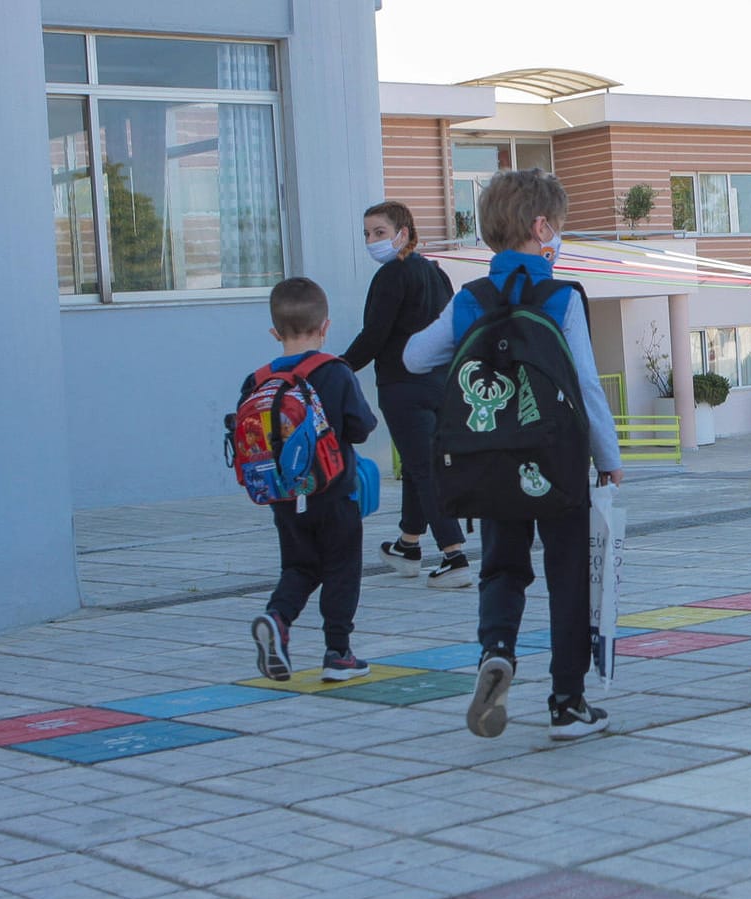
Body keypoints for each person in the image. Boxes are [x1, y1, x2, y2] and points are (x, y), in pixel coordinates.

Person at [402, 168, 623, 741]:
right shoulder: (561, 297)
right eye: (559, 230)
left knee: (502, 566)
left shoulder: (470, 298)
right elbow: (586, 386)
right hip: (557, 462)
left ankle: (495, 651)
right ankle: (566, 703)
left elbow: (413, 358)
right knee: (568, 574)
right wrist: (609, 457)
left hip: (488, 459)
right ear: (541, 226)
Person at [247, 278, 380, 683]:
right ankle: (338, 651)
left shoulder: (257, 381)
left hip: (285, 497)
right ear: (325, 327)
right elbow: (360, 427)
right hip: (334, 492)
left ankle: (278, 618)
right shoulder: (335, 373)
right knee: (342, 567)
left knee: (300, 566)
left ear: (275, 332)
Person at [340, 201, 469, 588]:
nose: (371, 241)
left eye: (379, 232)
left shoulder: (390, 276)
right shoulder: (436, 273)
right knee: (419, 463)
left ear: (403, 233)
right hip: (440, 383)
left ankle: (454, 555)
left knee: (424, 468)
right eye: (367, 234)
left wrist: (337, 368)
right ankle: (408, 545)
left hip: (402, 386)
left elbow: (374, 336)